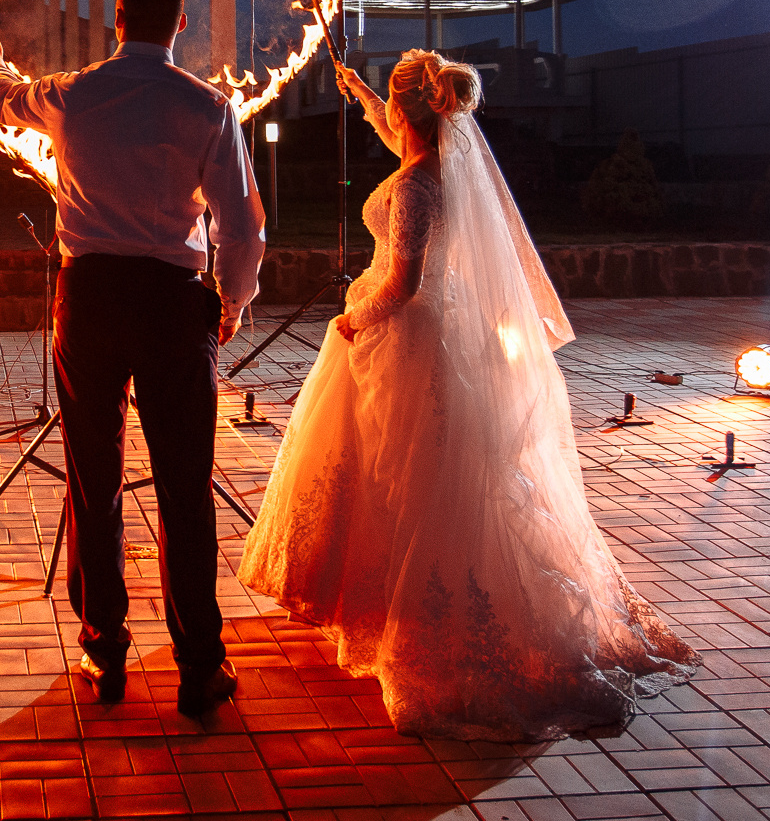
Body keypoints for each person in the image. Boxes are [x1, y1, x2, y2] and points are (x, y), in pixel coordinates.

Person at [238, 49, 698, 741]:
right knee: (402, 473)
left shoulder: (419, 184)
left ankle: (419, 620)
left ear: (408, 110)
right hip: (429, 335)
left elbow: (403, 284)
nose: (385, 119)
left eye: (388, 105)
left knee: (410, 478)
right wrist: (363, 91)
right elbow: (397, 140)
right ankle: (388, 603)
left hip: (402, 335)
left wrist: (350, 318)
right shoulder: (439, 161)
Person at [0, 0, 266, 718]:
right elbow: (243, 227)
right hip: (174, 304)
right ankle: (201, 666)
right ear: (179, 24)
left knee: (93, 478)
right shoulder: (209, 107)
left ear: (116, 19)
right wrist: (231, 302)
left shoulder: (73, 93)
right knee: (184, 487)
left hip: (93, 299)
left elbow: (3, 100)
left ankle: (104, 651)